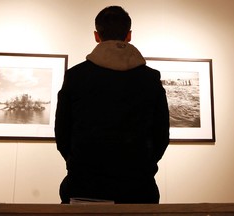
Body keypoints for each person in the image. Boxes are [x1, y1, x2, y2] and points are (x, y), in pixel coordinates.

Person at [55, 5, 170, 204]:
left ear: (96, 35)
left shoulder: (76, 77)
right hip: (138, 187)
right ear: (129, 35)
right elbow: (161, 135)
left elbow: (62, 134)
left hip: (84, 186)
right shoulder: (150, 79)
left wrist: (79, 163)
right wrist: (143, 165)